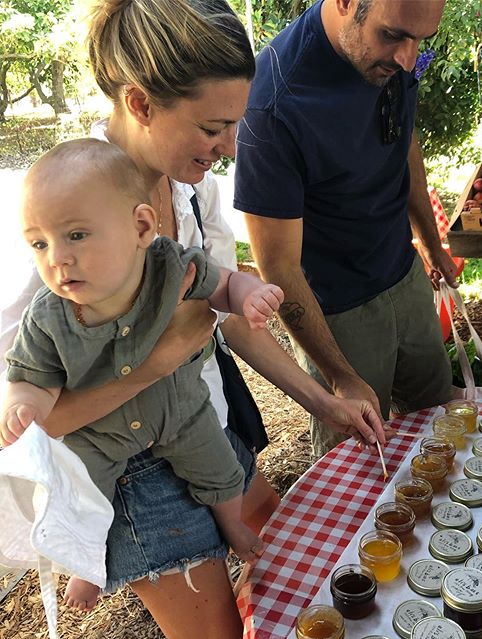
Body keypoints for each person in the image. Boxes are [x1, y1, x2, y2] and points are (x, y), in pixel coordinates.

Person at [0, 1, 385, 637]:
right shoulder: (63, 218)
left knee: (283, 559)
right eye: (213, 127)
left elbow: (229, 321)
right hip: (123, 472)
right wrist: (158, 361)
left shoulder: (192, 193)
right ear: (142, 102)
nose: (230, 148)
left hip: (198, 424)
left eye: (234, 125)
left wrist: (324, 398)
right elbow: (43, 418)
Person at [1, 138, 286, 609]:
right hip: (100, 435)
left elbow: (225, 284)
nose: (57, 258)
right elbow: (31, 376)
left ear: (139, 226)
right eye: (39, 243)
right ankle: (90, 563)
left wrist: (249, 294)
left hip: (182, 410)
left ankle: (232, 523)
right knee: (82, 500)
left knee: (221, 470)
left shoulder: (171, 265)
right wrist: (22, 406)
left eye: (76, 235)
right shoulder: (48, 317)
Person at [234, 0, 459, 459]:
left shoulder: (397, 53)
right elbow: (276, 265)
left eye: (421, 42)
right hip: (336, 315)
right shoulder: (273, 102)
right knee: (359, 465)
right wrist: (340, 375)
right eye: (393, 35)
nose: (408, 59)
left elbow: (404, 139)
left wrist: (431, 245)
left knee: (442, 428)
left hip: (404, 273)